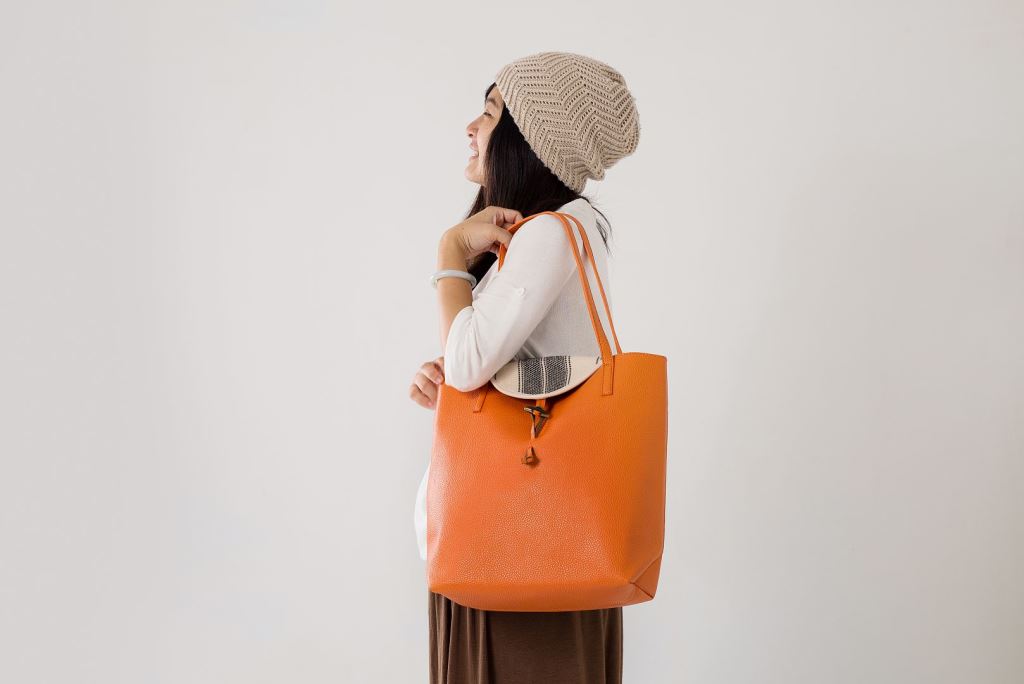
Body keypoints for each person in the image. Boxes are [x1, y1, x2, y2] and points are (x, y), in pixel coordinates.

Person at [408, 51, 641, 684]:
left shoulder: (550, 232)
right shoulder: (567, 230)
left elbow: (468, 364)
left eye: (489, 113)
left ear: (530, 140)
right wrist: (456, 385)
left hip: (512, 552)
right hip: (529, 542)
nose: (471, 127)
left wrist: (451, 250)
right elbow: (486, 368)